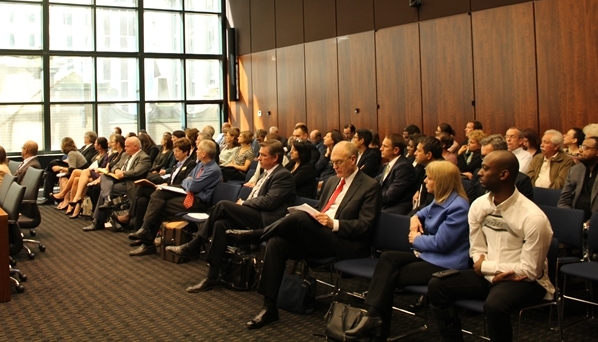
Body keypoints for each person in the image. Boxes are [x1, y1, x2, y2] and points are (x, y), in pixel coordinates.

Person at [234, 141, 381, 329]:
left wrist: (334, 223)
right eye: (332, 162)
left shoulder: (370, 186)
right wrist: (317, 216)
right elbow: (321, 209)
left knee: (300, 218)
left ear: (353, 160)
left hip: (343, 242)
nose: (334, 166)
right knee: (276, 243)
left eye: (338, 162)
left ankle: (257, 235)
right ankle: (269, 307)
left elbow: (365, 226)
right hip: (318, 236)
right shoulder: (332, 181)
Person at [427, 151, 554, 342]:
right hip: (488, 274)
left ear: (503, 175)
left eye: (485, 168)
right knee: (437, 285)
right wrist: (488, 272)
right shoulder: (479, 205)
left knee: (495, 305)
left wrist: (486, 268)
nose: (479, 172)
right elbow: (476, 248)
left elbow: (530, 271)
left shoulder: (533, 217)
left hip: (525, 282)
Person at [344, 161, 470, 342]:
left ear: (441, 182)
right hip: (428, 256)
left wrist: (416, 239)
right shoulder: (441, 199)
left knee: (388, 276)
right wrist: (414, 220)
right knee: (387, 258)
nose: (425, 181)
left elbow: (441, 243)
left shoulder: (458, 207)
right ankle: (372, 320)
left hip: (445, 263)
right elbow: (419, 213)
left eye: (430, 178)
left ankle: (374, 324)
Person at [166, 139, 296, 290]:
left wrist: (244, 203)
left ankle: (195, 244)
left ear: (275, 158)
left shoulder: (283, 175)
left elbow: (269, 202)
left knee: (222, 205)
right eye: (259, 154)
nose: (258, 158)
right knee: (220, 224)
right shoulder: (266, 173)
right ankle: (212, 275)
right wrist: (245, 203)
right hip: (254, 213)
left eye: (263, 155)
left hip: (265, 220)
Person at [128, 139, 222, 256]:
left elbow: (192, 185)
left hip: (198, 202)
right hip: (189, 195)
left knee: (160, 207)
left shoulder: (213, 170)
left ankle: (147, 240)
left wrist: (189, 182)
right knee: (158, 195)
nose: (196, 151)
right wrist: (189, 182)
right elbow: (186, 181)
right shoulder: (200, 165)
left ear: (204, 153)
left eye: (198, 150)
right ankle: (145, 231)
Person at [115, 138, 197, 230]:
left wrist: (168, 186)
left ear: (185, 152)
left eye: (177, 151)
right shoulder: (178, 164)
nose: (174, 154)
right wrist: (165, 184)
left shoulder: (191, 164)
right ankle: (138, 230)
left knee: (142, 189)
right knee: (142, 200)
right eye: (174, 151)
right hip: (169, 189)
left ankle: (130, 216)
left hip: (176, 193)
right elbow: (171, 179)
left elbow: (184, 183)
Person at [83, 136, 151, 231]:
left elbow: (137, 172)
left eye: (127, 146)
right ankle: (107, 200)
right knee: (104, 178)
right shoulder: (125, 155)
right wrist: (118, 170)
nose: (125, 148)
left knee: (103, 189)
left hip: (130, 183)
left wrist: (123, 173)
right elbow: (114, 166)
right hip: (117, 180)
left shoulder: (144, 158)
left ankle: (98, 220)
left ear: (136, 147)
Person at [557, 136, 598, 219]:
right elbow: (563, 201)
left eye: (585, 147)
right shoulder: (574, 170)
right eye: (581, 146)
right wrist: (571, 218)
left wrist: (595, 221)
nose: (580, 150)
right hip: (575, 219)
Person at [465, 134, 534, 202]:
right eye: (483, 156)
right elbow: (470, 202)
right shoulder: (478, 174)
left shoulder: (521, 181)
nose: (484, 161)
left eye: (488, 156)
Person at [53, 136, 110, 216]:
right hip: (91, 172)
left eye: (95, 143)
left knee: (75, 172)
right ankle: (74, 206)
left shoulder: (107, 155)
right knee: (76, 179)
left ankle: (65, 195)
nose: (94, 144)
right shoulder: (97, 154)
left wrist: (61, 167)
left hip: (97, 174)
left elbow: (103, 167)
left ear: (99, 146)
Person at [377, 133, 416, 214]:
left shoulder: (403, 167)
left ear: (396, 150)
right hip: (385, 206)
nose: (381, 148)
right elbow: (377, 180)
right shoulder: (392, 163)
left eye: (385, 146)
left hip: (394, 210)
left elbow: (389, 197)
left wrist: (369, 198)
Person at [53, 137, 88, 210]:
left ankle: (64, 198)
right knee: (62, 177)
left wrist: (60, 168)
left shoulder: (72, 153)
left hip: (82, 173)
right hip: (80, 171)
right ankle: (64, 200)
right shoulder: (74, 152)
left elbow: (72, 169)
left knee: (64, 178)